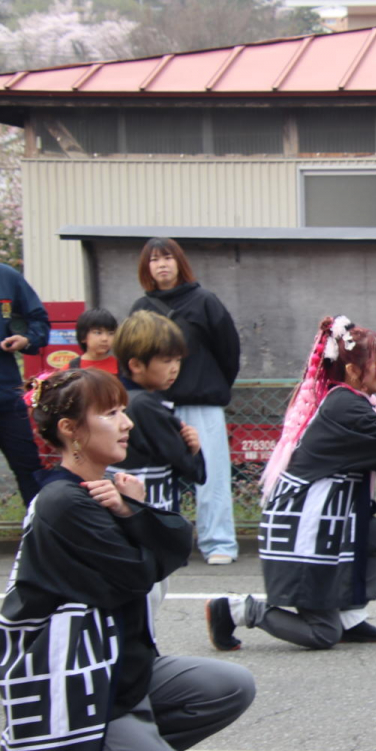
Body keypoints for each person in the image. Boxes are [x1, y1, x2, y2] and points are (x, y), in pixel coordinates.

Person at [0, 368, 255, 751]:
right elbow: (139, 574)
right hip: (87, 682)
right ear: (70, 429)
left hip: (125, 666)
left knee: (232, 687)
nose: (127, 423)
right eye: (111, 413)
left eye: (122, 411)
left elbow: (180, 543)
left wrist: (134, 510)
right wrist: (138, 523)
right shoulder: (61, 502)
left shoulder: (108, 489)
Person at [205, 316, 376, 651]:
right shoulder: (345, 405)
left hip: (324, 521)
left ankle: (349, 618)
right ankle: (237, 609)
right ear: (354, 371)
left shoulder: (356, 401)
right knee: (321, 635)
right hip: (305, 529)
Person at [131, 237, 241, 565]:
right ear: (146, 268)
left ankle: (218, 542)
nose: (161, 265)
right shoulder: (141, 308)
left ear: (180, 263)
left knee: (212, 475)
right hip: (155, 405)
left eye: (167, 258)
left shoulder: (205, 301)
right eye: (154, 260)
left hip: (201, 403)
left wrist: (210, 384)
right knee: (156, 477)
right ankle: (161, 543)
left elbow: (229, 351)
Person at [110, 310, 204, 514]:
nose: (174, 368)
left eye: (178, 360)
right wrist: (194, 450)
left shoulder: (113, 397)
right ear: (135, 364)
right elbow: (191, 468)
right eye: (166, 361)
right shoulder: (146, 405)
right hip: (152, 509)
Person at [0, 234, 49, 505]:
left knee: (29, 468)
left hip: (4, 392)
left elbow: (40, 322)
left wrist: (27, 339)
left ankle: (39, 537)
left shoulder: (7, 278)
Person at [67, 307, 119, 374]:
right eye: (98, 333)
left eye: (111, 333)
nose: (105, 338)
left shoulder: (121, 368)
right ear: (83, 337)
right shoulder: (71, 368)